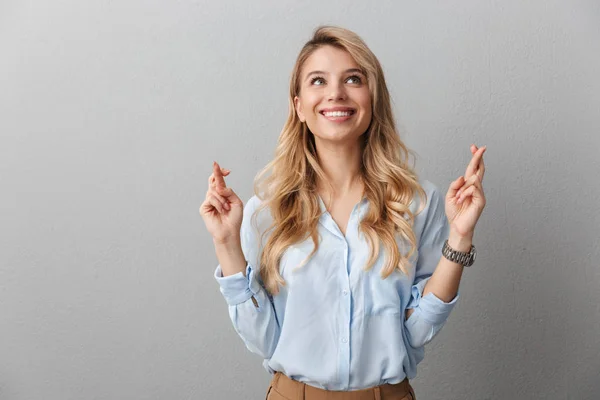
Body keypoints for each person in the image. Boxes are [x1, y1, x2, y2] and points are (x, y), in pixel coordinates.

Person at [200, 25, 487, 400]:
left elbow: (417, 333)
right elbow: (264, 340)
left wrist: (460, 237)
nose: (335, 92)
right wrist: (226, 243)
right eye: (318, 81)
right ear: (299, 105)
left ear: (373, 98)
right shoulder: (265, 211)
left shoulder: (418, 202)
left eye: (353, 79)